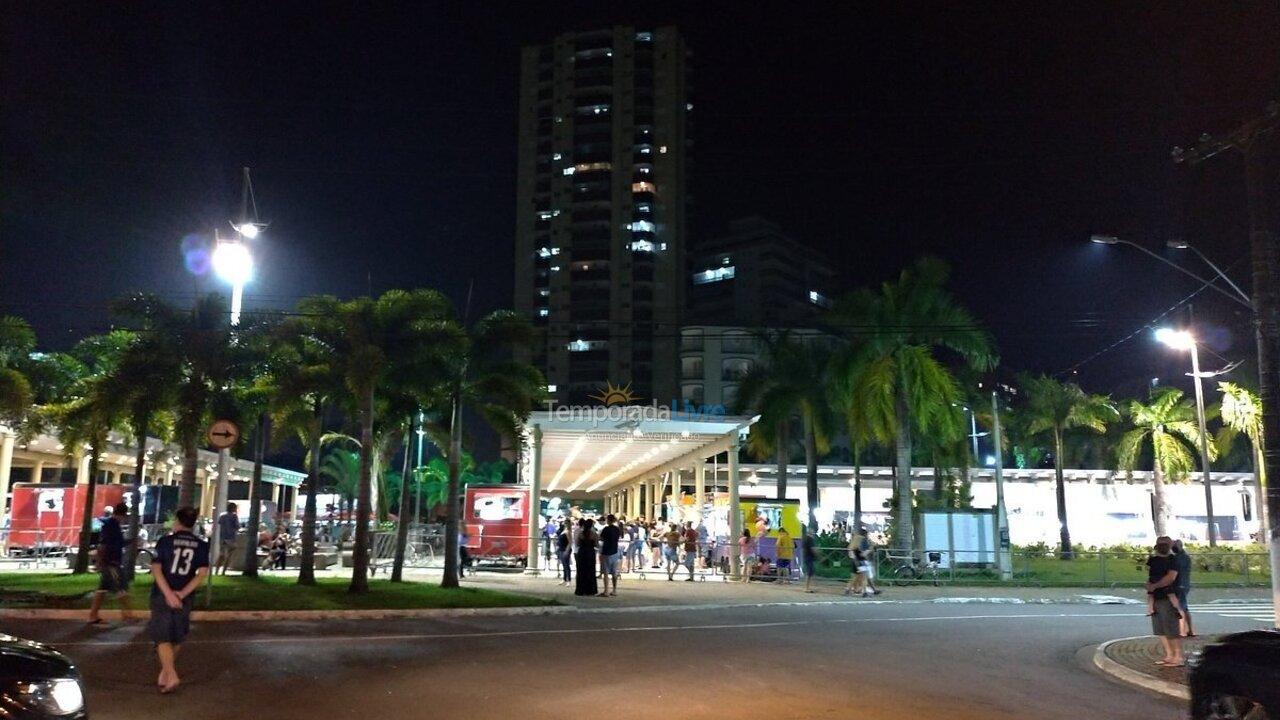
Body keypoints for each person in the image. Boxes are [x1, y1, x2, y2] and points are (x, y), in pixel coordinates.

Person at [149, 506, 210, 694]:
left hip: (162, 595)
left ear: (177, 521)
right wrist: (182, 594)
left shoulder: (165, 542)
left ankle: (171, 674)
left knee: (162, 638)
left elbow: (157, 569)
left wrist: (168, 594)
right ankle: (166, 674)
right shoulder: (201, 545)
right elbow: (201, 574)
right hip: (185, 597)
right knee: (176, 637)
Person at [88, 504, 132, 624]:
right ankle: (129, 614)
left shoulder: (113, 525)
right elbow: (103, 545)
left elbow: (116, 543)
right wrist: (99, 561)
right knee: (120, 587)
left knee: (102, 590)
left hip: (109, 561)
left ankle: (93, 615)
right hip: (111, 562)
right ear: (122, 515)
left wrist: (129, 542)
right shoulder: (111, 526)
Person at [1145, 536, 1185, 667]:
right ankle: (1168, 655)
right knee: (1160, 629)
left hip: (1168, 597)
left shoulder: (1173, 560)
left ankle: (1178, 657)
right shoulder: (1154, 560)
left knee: (1171, 628)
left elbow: (1170, 578)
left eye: (1164, 544)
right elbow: (1150, 576)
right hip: (1156, 596)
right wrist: (1150, 586)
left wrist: (1154, 586)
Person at [1145, 539, 1186, 623]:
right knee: (1172, 595)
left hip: (1154, 578)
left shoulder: (1153, 560)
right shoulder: (1170, 560)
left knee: (1150, 595)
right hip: (1165, 580)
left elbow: (1147, 567)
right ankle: (1177, 608)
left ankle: (1150, 609)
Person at [1172, 539, 1195, 637]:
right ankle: (1189, 630)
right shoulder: (1182, 557)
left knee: (1180, 607)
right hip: (1182, 584)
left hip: (1181, 584)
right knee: (1184, 608)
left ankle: (1182, 631)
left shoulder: (1182, 558)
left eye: (1175, 545)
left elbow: (1176, 568)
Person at [574, 518, 599, 596]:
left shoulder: (580, 533)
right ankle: (590, 590)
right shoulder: (594, 534)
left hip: (582, 553)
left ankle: (580, 590)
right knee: (590, 571)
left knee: (581, 571)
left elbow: (577, 543)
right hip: (590, 553)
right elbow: (596, 545)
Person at [599, 514, 622, 596]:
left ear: (608, 520)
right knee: (614, 572)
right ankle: (614, 590)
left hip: (606, 551)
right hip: (615, 551)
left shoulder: (606, 529)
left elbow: (601, 538)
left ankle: (606, 591)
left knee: (606, 572)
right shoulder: (617, 529)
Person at [214, 503, 239, 575]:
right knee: (229, 555)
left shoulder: (222, 515)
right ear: (233, 508)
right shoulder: (234, 516)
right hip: (231, 538)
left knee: (221, 554)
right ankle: (223, 572)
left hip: (222, 537)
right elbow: (237, 526)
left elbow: (219, 523)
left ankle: (216, 571)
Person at [801, 527, 818, 593]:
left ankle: (807, 587)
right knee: (809, 572)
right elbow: (813, 549)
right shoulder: (810, 539)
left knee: (810, 572)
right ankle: (807, 587)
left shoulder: (805, 539)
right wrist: (817, 555)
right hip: (810, 557)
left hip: (806, 557)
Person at [556, 520, 572, 585]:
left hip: (565, 549)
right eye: (564, 523)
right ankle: (565, 579)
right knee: (564, 565)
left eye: (566, 523)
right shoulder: (564, 531)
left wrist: (567, 551)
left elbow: (570, 542)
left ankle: (568, 580)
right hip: (561, 549)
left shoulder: (568, 532)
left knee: (566, 565)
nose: (565, 524)